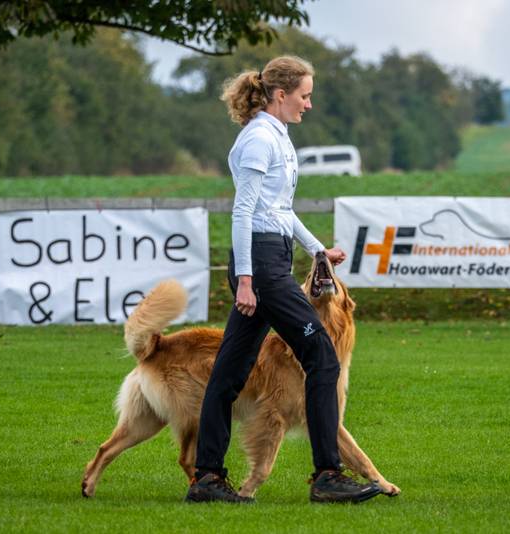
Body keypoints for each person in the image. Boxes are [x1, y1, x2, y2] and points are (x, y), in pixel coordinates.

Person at [185, 56, 382, 504]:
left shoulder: (278, 137)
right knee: (322, 356)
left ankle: (207, 479)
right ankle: (327, 476)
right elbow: (243, 211)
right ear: (280, 94)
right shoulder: (258, 140)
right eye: (304, 95)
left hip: (269, 257)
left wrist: (317, 249)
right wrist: (247, 280)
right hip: (263, 265)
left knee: (229, 372)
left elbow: (279, 210)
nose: (308, 104)